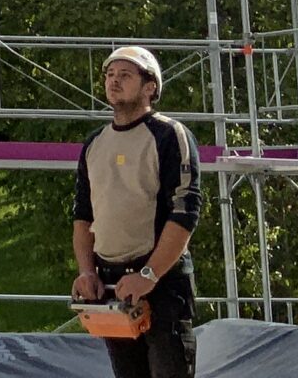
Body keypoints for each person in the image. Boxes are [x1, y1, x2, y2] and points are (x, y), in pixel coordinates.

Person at [72, 46, 201, 378]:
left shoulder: (169, 135)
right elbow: (83, 217)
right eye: (110, 75)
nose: (114, 81)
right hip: (112, 285)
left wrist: (148, 276)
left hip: (161, 284)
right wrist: (87, 272)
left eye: (125, 75)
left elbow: (185, 213)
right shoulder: (94, 143)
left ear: (150, 87)